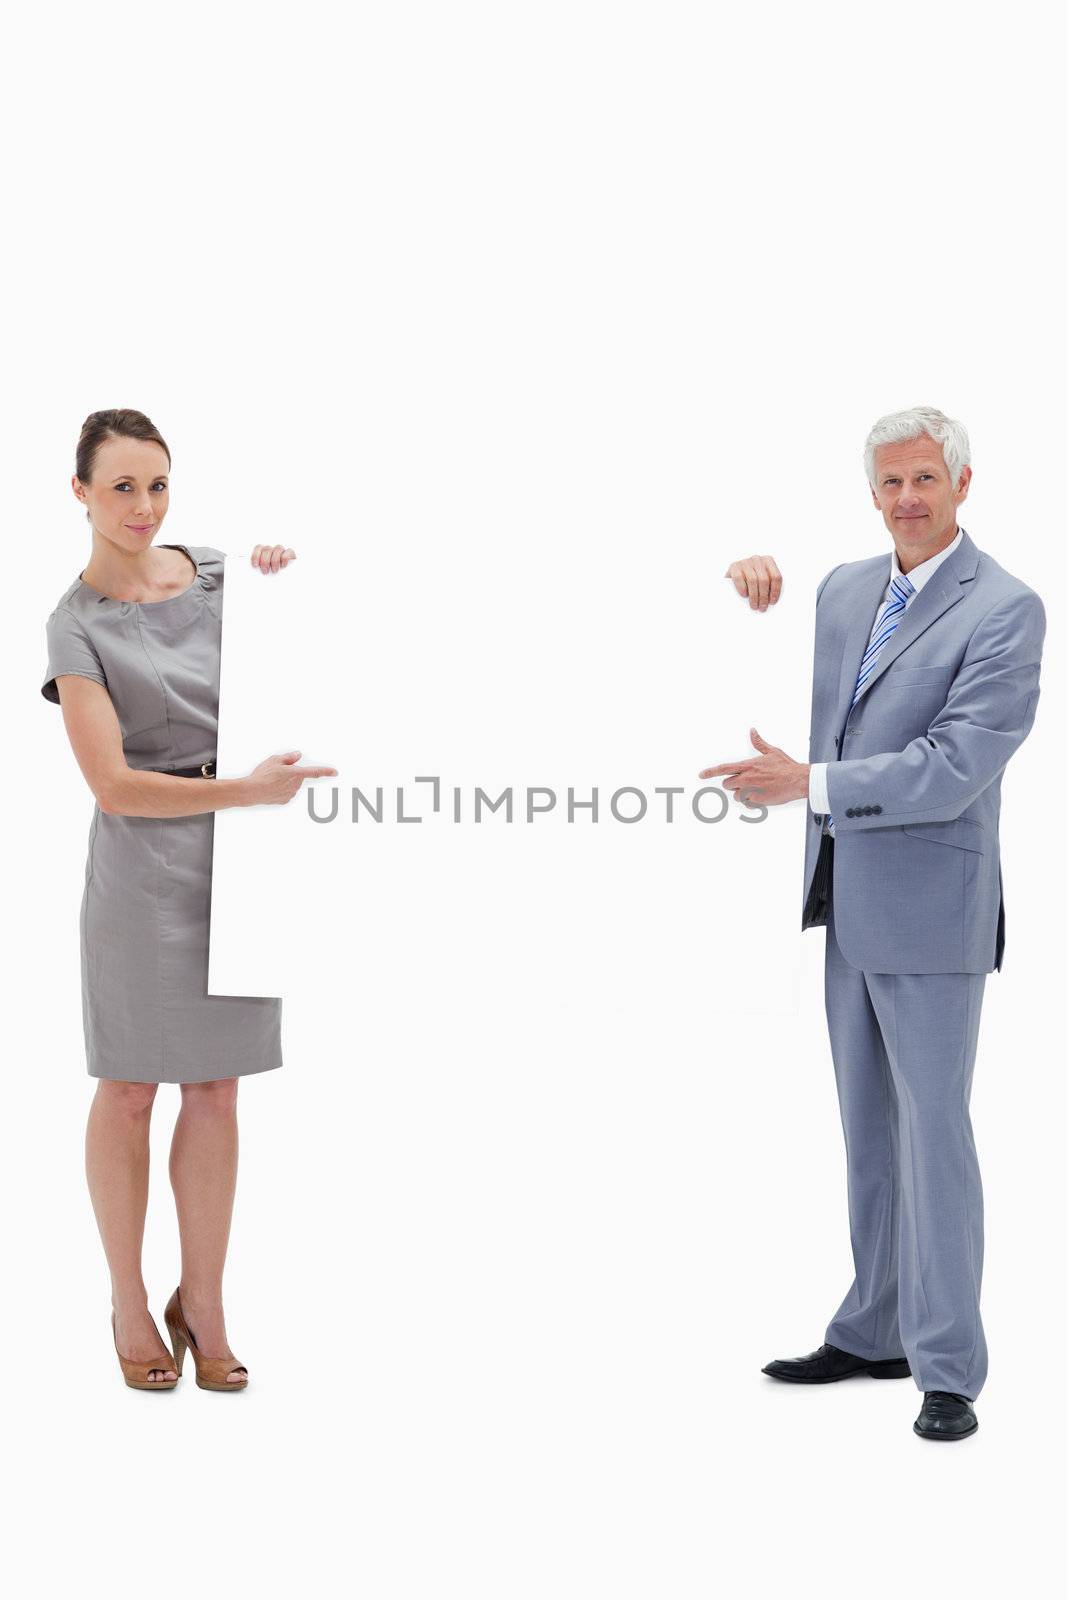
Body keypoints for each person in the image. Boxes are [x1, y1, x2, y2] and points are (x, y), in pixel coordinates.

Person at [701, 405, 1045, 1441]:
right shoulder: (845, 588)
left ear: (961, 484)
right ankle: (874, 1325)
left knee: (933, 1133)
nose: (904, 498)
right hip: (841, 897)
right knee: (866, 1132)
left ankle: (947, 1367)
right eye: (888, 482)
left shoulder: (1005, 609)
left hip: (931, 905)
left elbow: (953, 765)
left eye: (922, 481)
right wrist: (741, 577)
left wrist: (809, 786)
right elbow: (785, 670)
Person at [42, 408, 337, 1392]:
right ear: (79, 491)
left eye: (157, 484)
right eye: (121, 485)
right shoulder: (73, 622)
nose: (143, 505)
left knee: (217, 1087)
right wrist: (244, 790)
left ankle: (202, 1298)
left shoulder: (217, 575)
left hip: (249, 859)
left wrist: (287, 579)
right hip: (143, 867)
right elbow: (112, 784)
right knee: (130, 1088)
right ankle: (128, 1297)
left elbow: (305, 653)